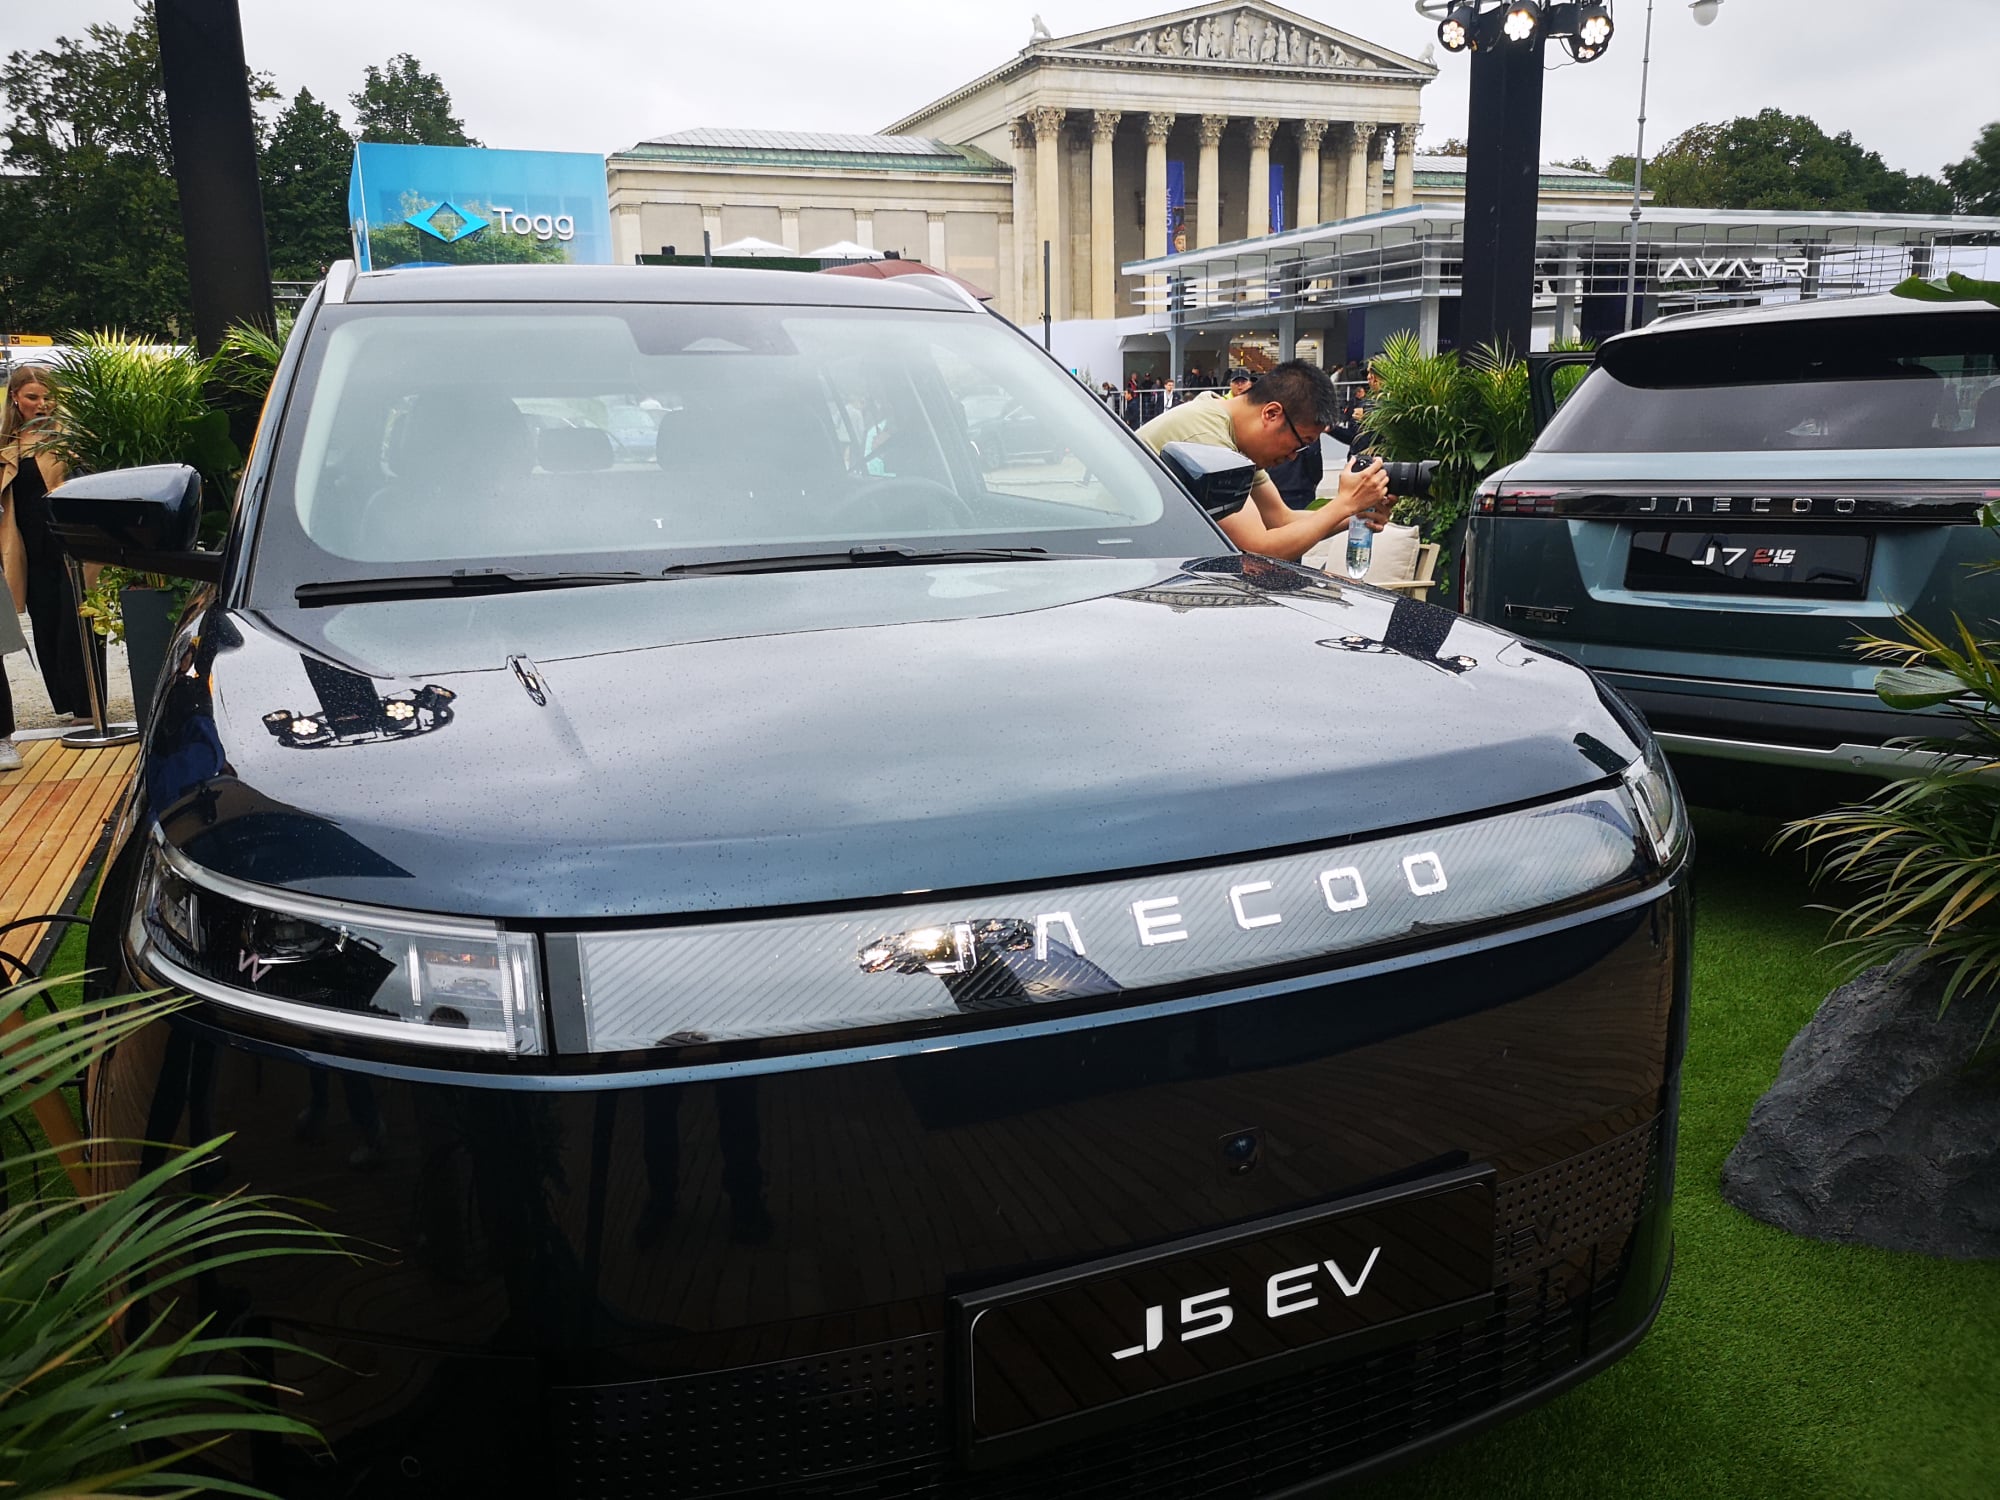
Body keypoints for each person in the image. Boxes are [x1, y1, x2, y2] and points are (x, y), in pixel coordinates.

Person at [1134, 359, 1388, 562]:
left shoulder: (1230, 437)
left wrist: (1356, 513)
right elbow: (1260, 549)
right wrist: (1344, 504)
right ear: (1271, 413)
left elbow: (1281, 520)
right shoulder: (1204, 438)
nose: (1293, 456)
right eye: (1301, 443)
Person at [1, 365, 101, 758]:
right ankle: (68, 703)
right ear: (15, 398)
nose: (42, 404)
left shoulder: (70, 436)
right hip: (29, 545)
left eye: (47, 397)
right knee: (45, 623)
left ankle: (88, 705)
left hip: (70, 542)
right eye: (33, 397)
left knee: (77, 619)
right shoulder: (8, 443)